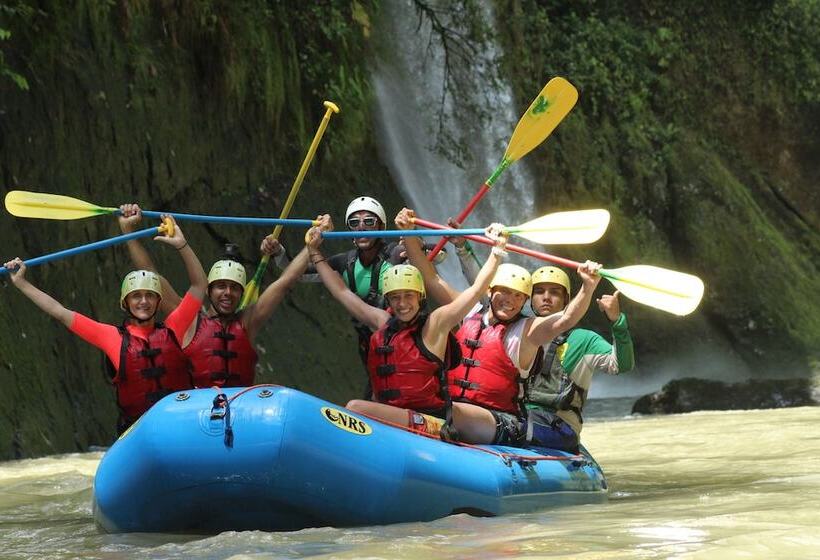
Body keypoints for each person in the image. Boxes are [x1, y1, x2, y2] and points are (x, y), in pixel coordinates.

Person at [395, 207, 603, 445]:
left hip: (500, 421)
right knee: (361, 406)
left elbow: (565, 319)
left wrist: (587, 287)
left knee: (445, 409)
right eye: (503, 292)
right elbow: (431, 279)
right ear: (490, 291)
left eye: (517, 296)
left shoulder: (526, 331)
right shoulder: (469, 312)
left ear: (524, 300)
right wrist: (409, 234)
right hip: (451, 410)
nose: (509, 300)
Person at [305, 216, 510, 439]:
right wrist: (314, 251)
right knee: (360, 408)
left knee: (356, 408)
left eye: (408, 296)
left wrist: (497, 250)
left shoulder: (436, 325)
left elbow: (476, 290)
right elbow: (341, 291)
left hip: (432, 423)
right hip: (397, 419)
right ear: (388, 300)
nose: (402, 304)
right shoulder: (381, 322)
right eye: (395, 298)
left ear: (420, 297)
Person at [4, 216, 206, 433]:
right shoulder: (111, 337)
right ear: (125, 302)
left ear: (158, 301)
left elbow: (199, 285)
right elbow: (60, 312)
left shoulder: (174, 326)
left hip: (182, 424)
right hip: (140, 431)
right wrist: (22, 283)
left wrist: (182, 245)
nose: (144, 301)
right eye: (136, 296)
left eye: (150, 296)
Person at [117, 204, 317, 388]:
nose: (227, 293)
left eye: (234, 288)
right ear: (208, 291)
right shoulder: (188, 321)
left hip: (239, 408)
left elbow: (286, 281)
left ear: (242, 293)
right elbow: (151, 275)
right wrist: (128, 232)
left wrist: (312, 244)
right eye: (221, 286)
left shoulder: (248, 322)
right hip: (198, 409)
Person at [524, 266, 635, 451]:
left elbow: (621, 365)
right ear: (529, 298)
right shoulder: (520, 331)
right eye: (539, 291)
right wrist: (464, 250)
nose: (546, 297)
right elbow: (490, 299)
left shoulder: (584, 340)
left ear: (566, 299)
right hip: (520, 417)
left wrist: (617, 321)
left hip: (559, 426)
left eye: (554, 292)